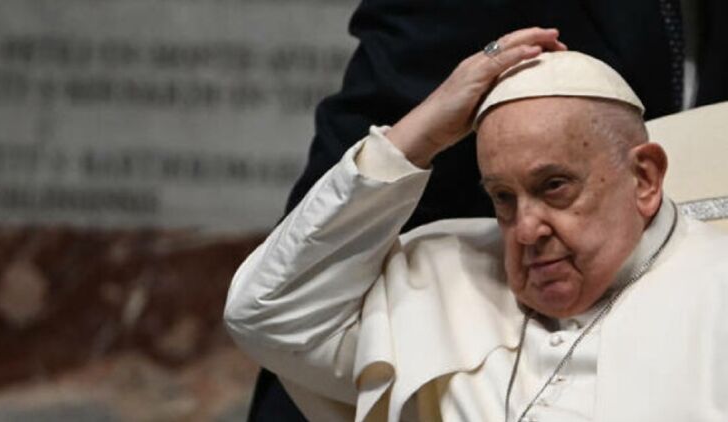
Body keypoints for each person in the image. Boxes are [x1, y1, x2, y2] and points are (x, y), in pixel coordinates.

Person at [225, 28, 727, 421]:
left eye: (554, 186)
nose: (526, 230)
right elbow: (266, 314)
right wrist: (421, 132)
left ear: (645, 178)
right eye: (503, 197)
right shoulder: (444, 274)